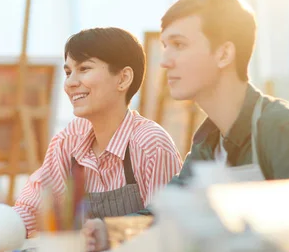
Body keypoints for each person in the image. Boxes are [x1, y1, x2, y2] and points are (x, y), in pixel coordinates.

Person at [84, 0, 289, 252]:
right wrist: (107, 232)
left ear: (224, 54)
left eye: (179, 45)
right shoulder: (208, 140)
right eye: (165, 47)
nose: (165, 62)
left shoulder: (281, 129)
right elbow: (167, 216)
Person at [13, 27, 182, 237]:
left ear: (123, 79)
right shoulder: (68, 141)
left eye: (84, 69)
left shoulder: (150, 143)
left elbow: (165, 226)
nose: (70, 83)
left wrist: (110, 234)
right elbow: (29, 211)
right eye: (68, 72)